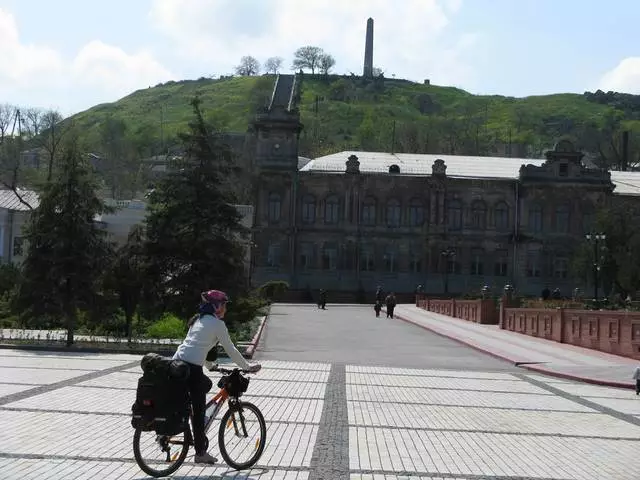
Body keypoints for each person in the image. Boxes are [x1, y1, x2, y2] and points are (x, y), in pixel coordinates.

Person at [173, 289, 261, 465]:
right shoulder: (218, 325)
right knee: (199, 411)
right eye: (224, 305)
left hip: (176, 364)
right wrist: (247, 367)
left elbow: (197, 346)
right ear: (216, 306)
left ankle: (182, 422)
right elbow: (231, 349)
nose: (225, 309)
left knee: (204, 384)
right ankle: (200, 453)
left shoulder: (197, 320)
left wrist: (210, 366)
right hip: (191, 368)